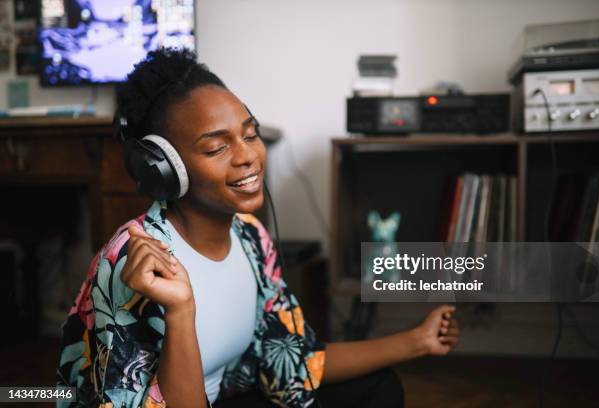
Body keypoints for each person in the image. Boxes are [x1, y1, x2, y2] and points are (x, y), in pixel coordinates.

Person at [57, 48, 460, 408]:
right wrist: (180, 311)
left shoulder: (250, 236)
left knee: (377, 388)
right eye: (217, 148)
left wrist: (417, 340)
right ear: (162, 170)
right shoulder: (134, 262)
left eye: (250, 134)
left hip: (229, 394)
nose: (247, 156)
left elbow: (294, 360)